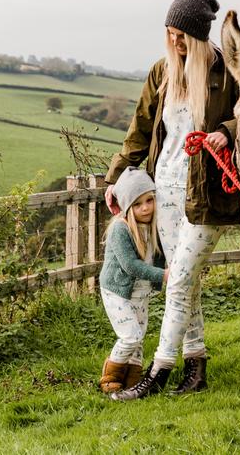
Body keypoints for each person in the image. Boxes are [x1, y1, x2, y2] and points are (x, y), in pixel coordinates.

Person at [104, 0, 240, 399]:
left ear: (200, 37)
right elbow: (140, 131)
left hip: (207, 195)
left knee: (179, 280)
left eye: (183, 35)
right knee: (187, 281)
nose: (176, 42)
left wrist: (226, 132)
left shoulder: (226, 74)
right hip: (162, 192)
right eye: (170, 33)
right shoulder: (161, 73)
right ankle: (195, 368)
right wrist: (117, 180)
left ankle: (157, 372)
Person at [99, 166, 168, 394]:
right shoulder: (121, 229)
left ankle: (132, 381)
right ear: (128, 206)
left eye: (149, 200)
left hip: (141, 292)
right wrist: (163, 275)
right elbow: (131, 265)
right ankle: (111, 376)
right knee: (130, 335)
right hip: (118, 291)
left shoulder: (157, 227)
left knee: (139, 337)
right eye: (138, 204)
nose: (146, 208)